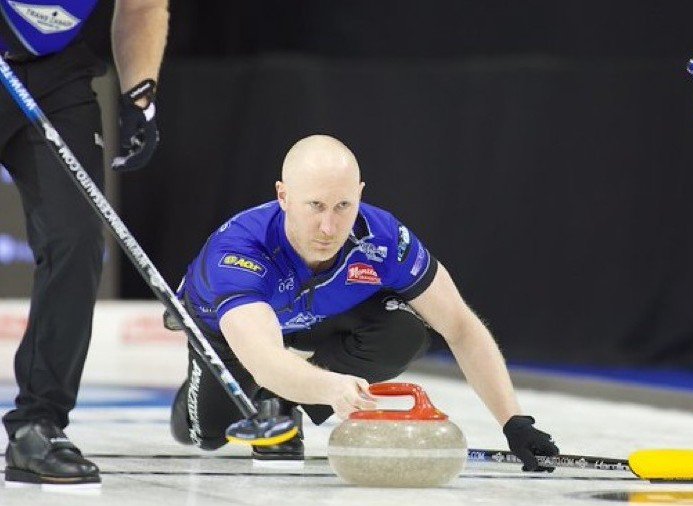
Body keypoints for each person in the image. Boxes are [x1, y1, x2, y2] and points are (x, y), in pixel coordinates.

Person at [168, 134, 559, 471]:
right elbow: (265, 360)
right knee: (209, 435)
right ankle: (216, 390)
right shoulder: (239, 253)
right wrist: (330, 388)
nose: (329, 227)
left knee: (404, 331)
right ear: (283, 196)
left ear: (359, 195)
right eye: (315, 206)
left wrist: (514, 422)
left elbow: (459, 325)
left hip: (319, 314)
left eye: (343, 206)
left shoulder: (383, 239)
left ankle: (284, 401)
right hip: (235, 330)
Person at [1, 0, 168, 488]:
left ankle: (40, 424)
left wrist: (140, 97)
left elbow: (142, 6)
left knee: (76, 238)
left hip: (55, 76)